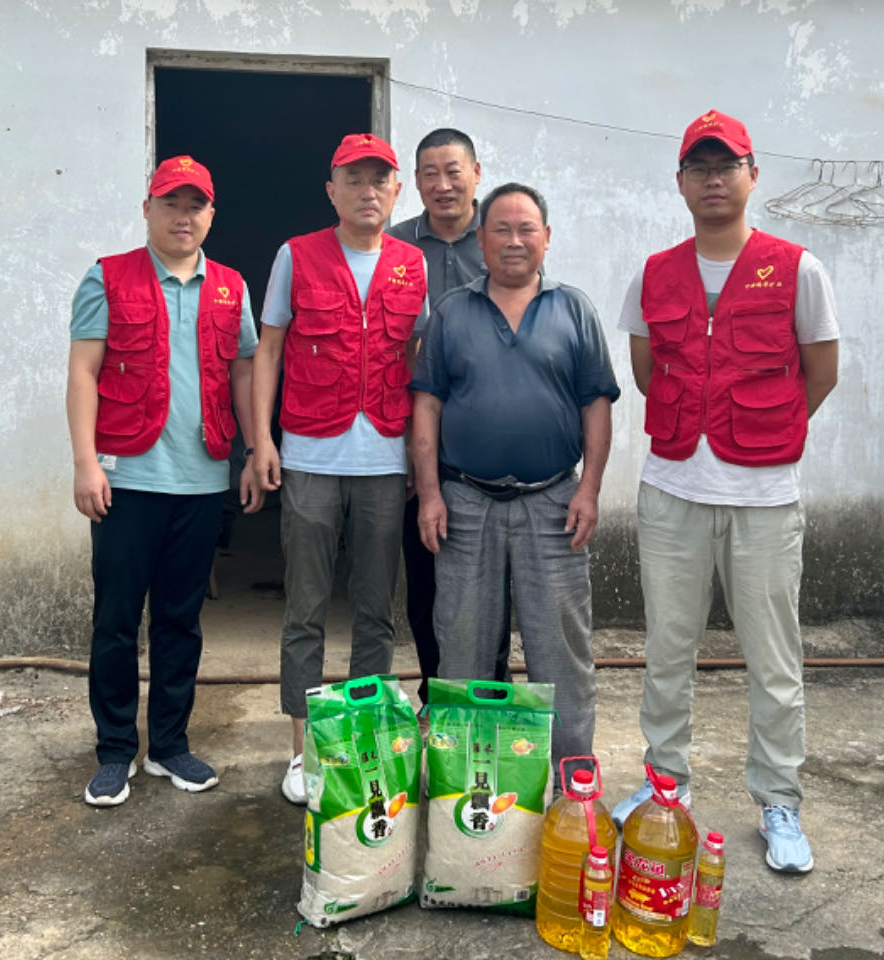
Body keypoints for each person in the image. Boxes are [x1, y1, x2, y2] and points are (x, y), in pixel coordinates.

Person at [611, 110, 839, 876]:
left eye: (727, 164)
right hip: (673, 487)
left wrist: (762, 429)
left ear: (752, 175)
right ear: (680, 182)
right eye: (700, 167)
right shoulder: (653, 273)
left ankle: (778, 800)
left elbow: (820, 374)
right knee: (666, 651)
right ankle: (663, 786)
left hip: (764, 496)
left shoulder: (797, 269)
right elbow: (648, 373)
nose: (714, 179)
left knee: (773, 660)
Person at [66, 155, 261, 807]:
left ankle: (170, 745)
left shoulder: (230, 287)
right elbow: (83, 372)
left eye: (195, 205)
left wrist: (254, 449)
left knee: (180, 621)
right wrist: (86, 462)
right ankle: (115, 750)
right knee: (117, 621)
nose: (183, 216)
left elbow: (242, 372)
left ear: (211, 214)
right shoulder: (108, 277)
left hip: (201, 481)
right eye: (170, 203)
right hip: (125, 480)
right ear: (147, 210)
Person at [410, 182, 619, 774]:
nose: (514, 240)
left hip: (553, 502)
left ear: (546, 238)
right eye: (500, 229)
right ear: (481, 240)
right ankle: (462, 787)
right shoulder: (452, 311)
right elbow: (427, 404)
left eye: (527, 229)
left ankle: (572, 783)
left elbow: (596, 404)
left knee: (561, 651)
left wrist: (589, 490)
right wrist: (429, 493)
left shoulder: (574, 308)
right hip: (465, 501)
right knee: (462, 648)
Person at [250, 133, 429, 805]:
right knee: (306, 609)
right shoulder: (296, 256)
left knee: (377, 611)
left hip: (384, 459)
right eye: (354, 179)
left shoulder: (412, 264)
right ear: (332, 191)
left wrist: (418, 453)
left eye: (379, 179)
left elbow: (419, 364)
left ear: (396, 191)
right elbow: (269, 350)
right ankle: (304, 751)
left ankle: (364, 740)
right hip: (310, 456)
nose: (367, 191)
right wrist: (262, 442)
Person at [386, 127, 509, 708]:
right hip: (418, 437)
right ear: (415, 182)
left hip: (488, 439)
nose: (443, 184)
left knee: (493, 585)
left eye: (453, 171)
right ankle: (436, 696)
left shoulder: (502, 240)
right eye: (430, 173)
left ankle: (491, 697)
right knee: (427, 578)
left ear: (476, 174)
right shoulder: (394, 247)